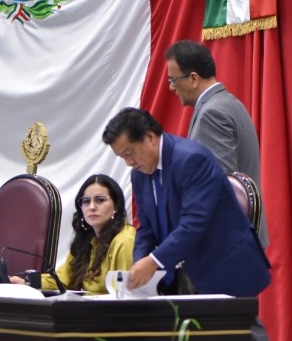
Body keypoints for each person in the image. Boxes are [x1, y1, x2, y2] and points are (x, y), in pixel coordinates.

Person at [102, 108, 270, 297]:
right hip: (181, 274)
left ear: (150, 137)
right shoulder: (139, 175)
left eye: (129, 153)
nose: (129, 163)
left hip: (224, 270)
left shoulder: (192, 159)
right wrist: (139, 262)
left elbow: (195, 222)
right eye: (122, 157)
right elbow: (146, 227)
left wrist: (153, 261)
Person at [165, 39, 267, 246]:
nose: (171, 87)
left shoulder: (212, 113)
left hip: (226, 245)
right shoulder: (229, 103)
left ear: (193, 78)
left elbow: (219, 189)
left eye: (173, 80)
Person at [10, 173, 135, 294]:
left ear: (116, 205)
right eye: (86, 201)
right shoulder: (86, 241)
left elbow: (124, 295)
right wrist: (27, 283)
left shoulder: (125, 240)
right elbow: (62, 281)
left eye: (100, 200)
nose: (92, 207)